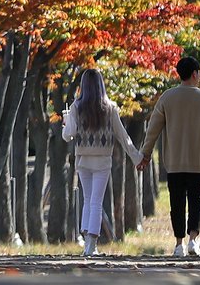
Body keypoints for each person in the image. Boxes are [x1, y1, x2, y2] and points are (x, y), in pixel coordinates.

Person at [135, 56, 200, 257]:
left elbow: (153, 130)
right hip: (199, 160)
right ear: (195, 74)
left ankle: (178, 244)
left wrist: (145, 154)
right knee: (197, 200)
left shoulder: (167, 97)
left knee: (177, 202)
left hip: (174, 161)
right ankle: (193, 240)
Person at [62, 67, 142, 257]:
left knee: (88, 199)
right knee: (96, 201)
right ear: (100, 85)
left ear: (83, 86)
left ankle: (86, 243)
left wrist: (66, 121)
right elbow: (123, 137)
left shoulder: (76, 107)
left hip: (83, 160)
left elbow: (68, 135)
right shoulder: (110, 108)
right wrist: (137, 157)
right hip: (103, 160)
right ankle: (91, 244)